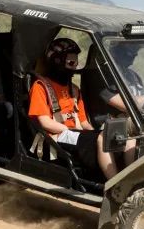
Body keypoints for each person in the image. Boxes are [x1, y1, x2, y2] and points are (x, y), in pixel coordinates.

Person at [28, 38, 119, 181]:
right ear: (57, 62)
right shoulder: (40, 87)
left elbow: (83, 123)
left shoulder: (74, 90)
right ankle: (116, 185)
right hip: (54, 136)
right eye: (71, 63)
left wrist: (96, 132)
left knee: (112, 136)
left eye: (76, 63)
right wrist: (75, 132)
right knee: (102, 139)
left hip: (74, 134)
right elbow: (45, 123)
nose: (75, 67)